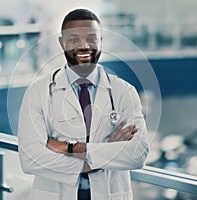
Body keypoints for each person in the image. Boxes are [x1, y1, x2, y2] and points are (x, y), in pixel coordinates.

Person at [18, 8, 149, 200]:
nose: (84, 45)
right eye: (73, 39)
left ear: (101, 41)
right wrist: (102, 156)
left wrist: (71, 148)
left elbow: (137, 154)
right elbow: (30, 159)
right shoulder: (38, 92)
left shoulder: (124, 92)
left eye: (91, 38)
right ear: (62, 43)